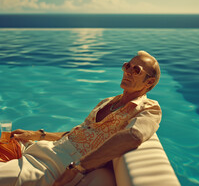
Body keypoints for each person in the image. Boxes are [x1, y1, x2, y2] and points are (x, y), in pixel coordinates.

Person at [0, 50, 162, 186]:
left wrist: (78, 167)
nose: (128, 72)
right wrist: (38, 135)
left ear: (150, 82)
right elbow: (79, 133)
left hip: (55, 166)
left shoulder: (150, 109)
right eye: (127, 66)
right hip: (43, 149)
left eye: (136, 70)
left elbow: (133, 136)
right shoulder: (108, 101)